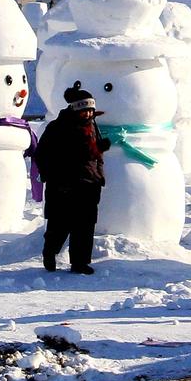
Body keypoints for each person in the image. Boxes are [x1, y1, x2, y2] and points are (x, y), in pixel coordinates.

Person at [35, 82, 110, 274]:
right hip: (63, 185)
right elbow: (42, 154)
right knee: (60, 225)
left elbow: (94, 156)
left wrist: (99, 175)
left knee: (85, 226)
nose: (88, 114)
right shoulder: (58, 127)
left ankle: (80, 262)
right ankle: (50, 253)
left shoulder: (92, 126)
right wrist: (52, 177)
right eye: (84, 110)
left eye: (90, 110)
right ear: (75, 109)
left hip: (89, 184)